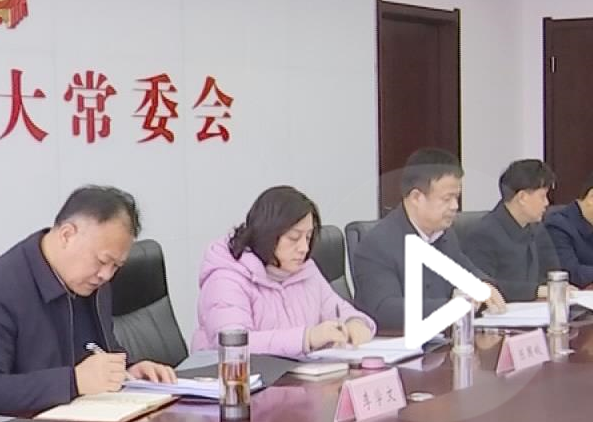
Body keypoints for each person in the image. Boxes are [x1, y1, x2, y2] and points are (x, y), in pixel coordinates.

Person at [0, 186, 176, 416]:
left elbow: (95, 349)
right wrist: (73, 381)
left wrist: (129, 371)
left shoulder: (92, 281)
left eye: (116, 266)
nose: (106, 275)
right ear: (67, 235)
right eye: (102, 261)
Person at [193, 186, 375, 355]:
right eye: (294, 238)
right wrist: (307, 338)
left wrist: (355, 323)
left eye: (308, 237)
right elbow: (233, 345)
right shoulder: (226, 278)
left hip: (295, 375)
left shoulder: (306, 271)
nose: (304, 248)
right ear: (267, 235)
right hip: (232, 378)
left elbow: (339, 310)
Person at [349, 148, 504, 332]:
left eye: (456, 197)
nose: (455, 206)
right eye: (446, 199)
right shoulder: (377, 245)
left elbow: (468, 271)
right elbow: (385, 310)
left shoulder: (445, 235)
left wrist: (484, 285)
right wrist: (452, 307)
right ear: (416, 197)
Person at [462, 159, 564, 300]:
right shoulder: (483, 235)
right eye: (542, 196)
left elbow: (552, 270)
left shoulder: (536, 228)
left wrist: (559, 286)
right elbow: (484, 285)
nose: (547, 203)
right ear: (522, 197)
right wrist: (536, 291)